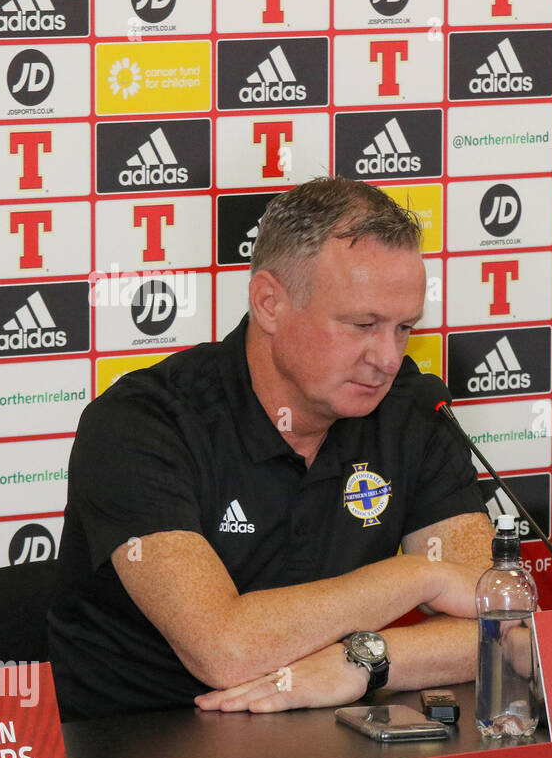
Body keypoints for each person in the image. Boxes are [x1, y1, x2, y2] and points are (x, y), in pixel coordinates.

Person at [47, 177, 493, 719]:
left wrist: (365, 660)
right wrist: (420, 574)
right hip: (142, 752)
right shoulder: (142, 423)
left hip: (329, 739)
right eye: (362, 325)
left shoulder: (413, 410)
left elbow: (503, 622)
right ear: (269, 303)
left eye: (403, 329)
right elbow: (226, 650)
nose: (387, 358)